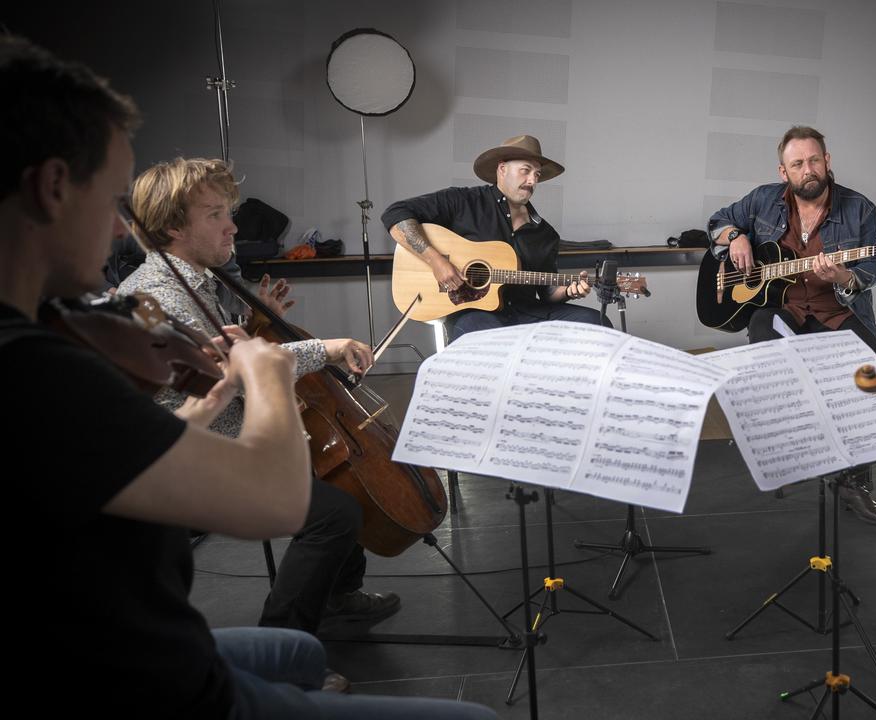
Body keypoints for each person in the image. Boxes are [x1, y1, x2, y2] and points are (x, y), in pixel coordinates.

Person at [1, 35, 498, 718]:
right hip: (156, 680)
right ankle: (294, 621)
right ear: (53, 187)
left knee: (306, 627)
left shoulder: (69, 336)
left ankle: (336, 602)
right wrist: (264, 372)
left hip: (151, 625)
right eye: (115, 201)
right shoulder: (45, 372)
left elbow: (178, 395)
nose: (124, 232)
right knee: (329, 512)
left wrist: (255, 350)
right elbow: (269, 498)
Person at [118, 156, 403, 634]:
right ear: (171, 228)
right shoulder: (157, 297)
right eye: (214, 215)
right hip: (196, 457)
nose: (232, 227)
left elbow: (218, 356)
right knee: (333, 514)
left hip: (220, 434)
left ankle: (337, 597)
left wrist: (255, 321)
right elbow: (235, 375)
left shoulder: (192, 281)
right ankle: (282, 642)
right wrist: (327, 348)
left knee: (339, 479)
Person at [707, 125, 876, 525]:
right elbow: (717, 221)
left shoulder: (860, 209)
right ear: (783, 171)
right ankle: (789, 449)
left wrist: (844, 278)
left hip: (837, 312)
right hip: (785, 308)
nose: (807, 169)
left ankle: (854, 484)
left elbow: (873, 265)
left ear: (827, 161)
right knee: (762, 333)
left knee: (865, 375)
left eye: (814, 160)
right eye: (797, 163)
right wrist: (735, 236)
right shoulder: (762, 201)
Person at [381, 135, 605, 340]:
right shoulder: (463, 201)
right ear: (502, 169)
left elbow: (546, 292)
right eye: (525, 170)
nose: (532, 181)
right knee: (489, 337)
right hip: (475, 315)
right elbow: (395, 214)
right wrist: (436, 261)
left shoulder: (544, 233)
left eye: (537, 174)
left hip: (527, 313)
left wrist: (567, 291)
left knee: (596, 323)